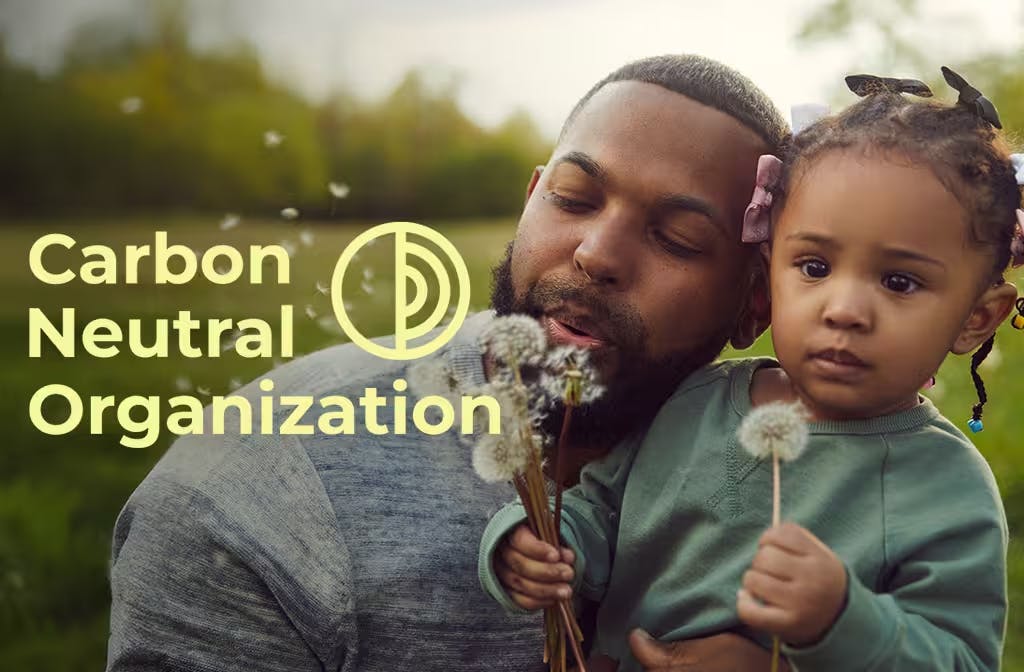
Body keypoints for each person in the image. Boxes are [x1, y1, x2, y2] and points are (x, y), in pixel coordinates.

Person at [106, 54, 789, 671]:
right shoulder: (254, 497)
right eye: (574, 199)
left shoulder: (826, 479)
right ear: (529, 201)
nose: (596, 253)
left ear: (753, 306)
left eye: (677, 238)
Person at [481, 69, 1024, 671]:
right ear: (767, 280)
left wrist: (841, 622)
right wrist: (539, 547)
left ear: (978, 318)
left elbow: (963, 660)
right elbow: (601, 510)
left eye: (899, 281)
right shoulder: (695, 402)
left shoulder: (945, 489)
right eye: (814, 267)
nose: (843, 309)